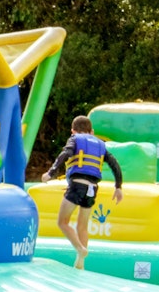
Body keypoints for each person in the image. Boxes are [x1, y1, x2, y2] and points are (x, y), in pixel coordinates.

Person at [41, 115, 124, 269]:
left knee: (62, 222)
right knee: (82, 226)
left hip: (77, 186)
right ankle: (81, 263)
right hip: (92, 188)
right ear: (91, 131)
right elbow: (114, 165)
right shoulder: (101, 145)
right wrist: (118, 187)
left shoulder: (74, 139)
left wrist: (50, 172)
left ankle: (80, 248)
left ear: (73, 131)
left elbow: (64, 154)